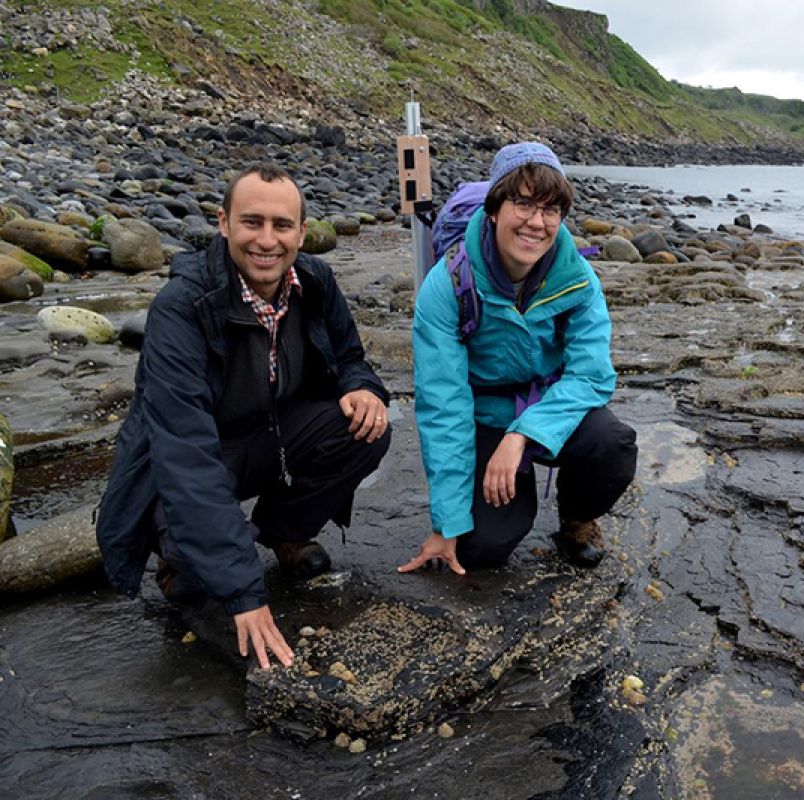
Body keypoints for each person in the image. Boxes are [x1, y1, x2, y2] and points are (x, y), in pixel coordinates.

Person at [96, 163, 391, 669]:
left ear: (302, 232)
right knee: (198, 579)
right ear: (224, 223)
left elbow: (348, 357)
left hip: (272, 435)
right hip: (197, 455)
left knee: (365, 430)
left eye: (281, 226)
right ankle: (175, 556)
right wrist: (244, 593)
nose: (266, 240)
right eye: (252, 222)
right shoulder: (183, 309)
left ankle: (283, 531)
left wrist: (363, 389)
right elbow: (185, 455)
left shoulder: (315, 282)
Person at [400, 142, 637, 576]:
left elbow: (592, 378)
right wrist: (447, 523)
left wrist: (523, 435)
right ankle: (494, 500)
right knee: (479, 550)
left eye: (550, 210)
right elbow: (444, 405)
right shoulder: (448, 285)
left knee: (612, 443)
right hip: (484, 415)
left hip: (550, 409)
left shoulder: (578, 281)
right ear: (494, 208)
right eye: (523, 203)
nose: (536, 222)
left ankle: (576, 518)